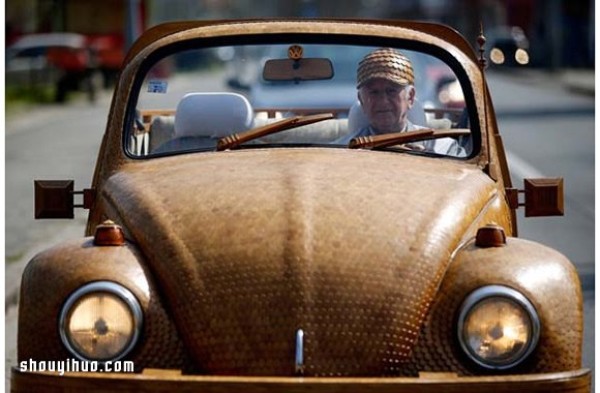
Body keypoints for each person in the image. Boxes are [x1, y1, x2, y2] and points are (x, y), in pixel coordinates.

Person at [337, 48, 464, 156]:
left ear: (410, 97)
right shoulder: (340, 151)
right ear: (362, 101)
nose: (383, 101)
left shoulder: (444, 150)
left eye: (391, 91)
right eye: (374, 92)